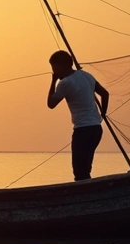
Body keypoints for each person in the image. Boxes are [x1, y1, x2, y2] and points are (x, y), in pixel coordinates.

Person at [47, 50, 110, 181]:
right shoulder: (87, 76)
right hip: (96, 129)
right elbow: (105, 94)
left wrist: (53, 82)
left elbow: (51, 104)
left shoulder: (65, 83)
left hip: (83, 130)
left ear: (61, 66)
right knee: (85, 168)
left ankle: (86, 196)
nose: (54, 72)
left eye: (54, 68)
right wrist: (102, 115)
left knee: (79, 171)